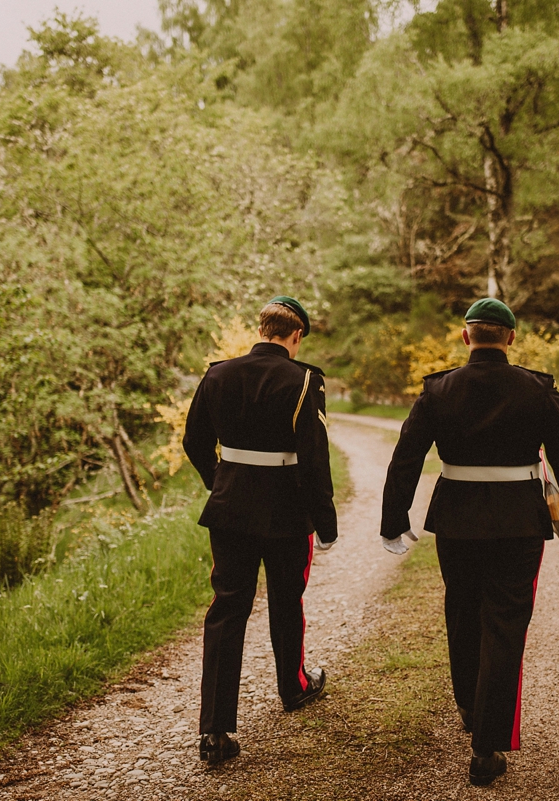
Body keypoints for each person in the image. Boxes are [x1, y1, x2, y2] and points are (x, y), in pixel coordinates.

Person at [378, 298, 559, 787]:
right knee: (506, 621)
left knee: (463, 611)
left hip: (456, 520)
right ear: (511, 338)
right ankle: (486, 744)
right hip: (518, 521)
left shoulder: (438, 389)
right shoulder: (537, 390)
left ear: (465, 336)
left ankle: (472, 708)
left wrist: (394, 520)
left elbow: (405, 458)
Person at [183, 296, 338, 765]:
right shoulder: (304, 379)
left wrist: (222, 483)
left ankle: (214, 731)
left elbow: (194, 441)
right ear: (296, 336)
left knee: (227, 608)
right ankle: (293, 688)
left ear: (261, 328)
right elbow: (313, 459)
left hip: (231, 510)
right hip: (288, 512)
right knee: (287, 599)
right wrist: (326, 522)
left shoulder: (217, 374)